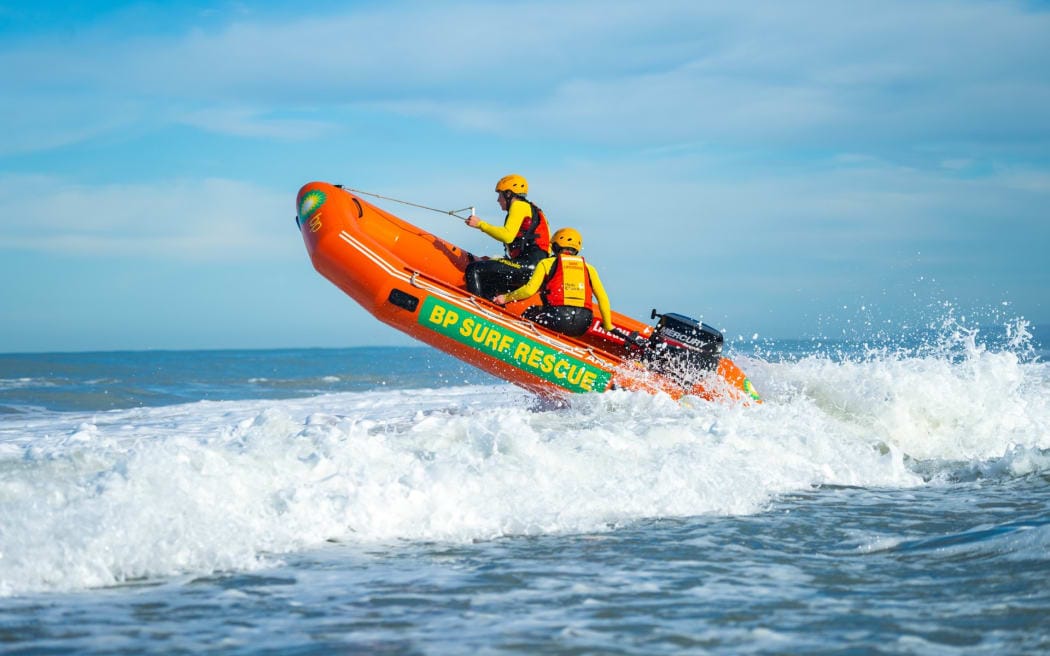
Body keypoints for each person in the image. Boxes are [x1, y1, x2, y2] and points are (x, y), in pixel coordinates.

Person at [494, 227, 614, 337]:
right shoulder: (589, 268)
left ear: (555, 246)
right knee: (565, 324)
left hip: (558, 318)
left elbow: (529, 290)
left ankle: (525, 343)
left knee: (531, 313)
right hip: (583, 323)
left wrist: (505, 298)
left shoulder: (546, 263)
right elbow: (603, 298)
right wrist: (608, 325)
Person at [464, 174, 551, 299]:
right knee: (490, 279)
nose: (498, 200)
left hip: (527, 265)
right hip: (533, 268)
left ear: (509, 194)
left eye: (500, 195)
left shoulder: (519, 206)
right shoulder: (531, 208)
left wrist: (480, 225)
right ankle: (490, 311)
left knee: (474, 269)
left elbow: (507, 236)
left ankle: (475, 311)